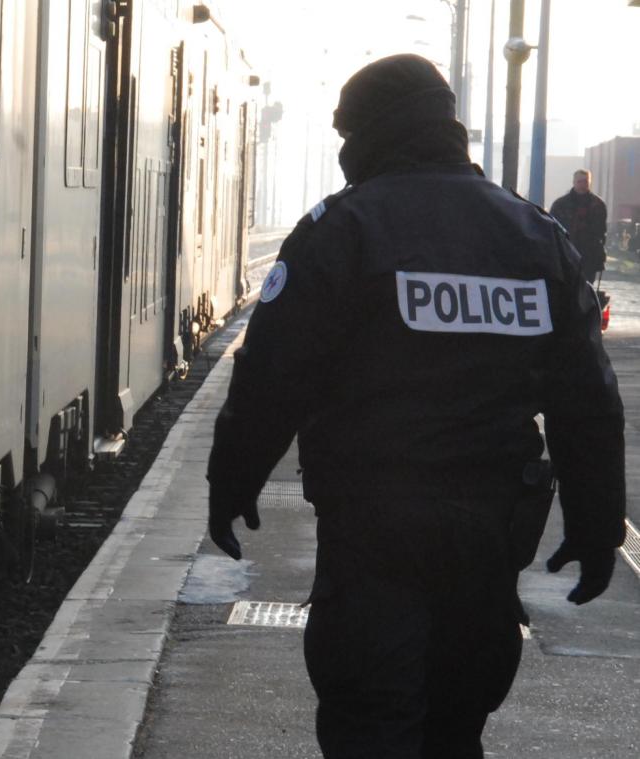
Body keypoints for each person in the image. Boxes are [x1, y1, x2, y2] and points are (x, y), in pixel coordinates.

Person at [206, 55, 625, 759]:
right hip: (492, 533)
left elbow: (273, 373)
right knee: (455, 725)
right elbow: (587, 397)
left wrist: (233, 480)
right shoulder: (532, 237)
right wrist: (595, 520)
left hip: (375, 527)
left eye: (346, 135)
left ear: (371, 133)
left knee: (372, 719)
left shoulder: (344, 230)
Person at [549, 170, 608, 283]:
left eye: (585, 181)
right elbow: (552, 228)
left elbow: (601, 232)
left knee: (586, 287)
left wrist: (600, 253)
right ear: (574, 182)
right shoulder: (560, 204)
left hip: (589, 255)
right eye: (579, 181)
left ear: (589, 182)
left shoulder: (598, 205)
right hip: (566, 253)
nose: (582, 185)